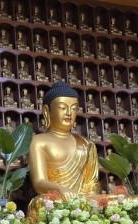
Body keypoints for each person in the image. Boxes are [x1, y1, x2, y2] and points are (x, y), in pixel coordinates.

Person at [28, 82, 100, 211]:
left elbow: (92, 182)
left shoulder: (86, 144)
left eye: (74, 108)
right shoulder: (37, 142)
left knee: (124, 200)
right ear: (47, 111)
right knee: (43, 202)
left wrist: (92, 195)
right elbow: (39, 183)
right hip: (55, 199)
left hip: (82, 199)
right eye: (62, 107)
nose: (69, 113)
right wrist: (60, 189)